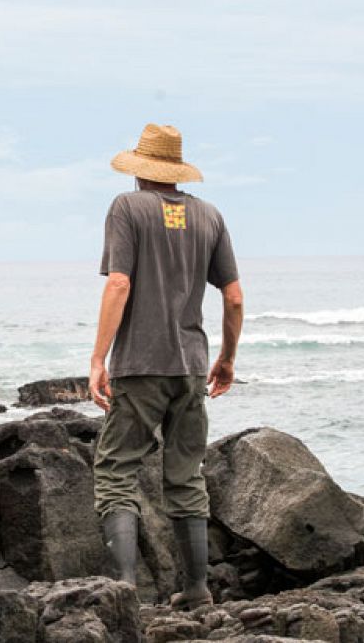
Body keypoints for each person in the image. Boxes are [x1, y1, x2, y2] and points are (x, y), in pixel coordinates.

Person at [88, 123, 243, 609]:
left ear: (140, 170)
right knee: (186, 474)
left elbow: (118, 284)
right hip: (191, 367)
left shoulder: (127, 208)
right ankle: (197, 590)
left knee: (117, 472)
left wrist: (98, 358)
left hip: (139, 365)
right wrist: (226, 358)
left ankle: (126, 591)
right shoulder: (210, 216)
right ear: (174, 171)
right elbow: (234, 298)